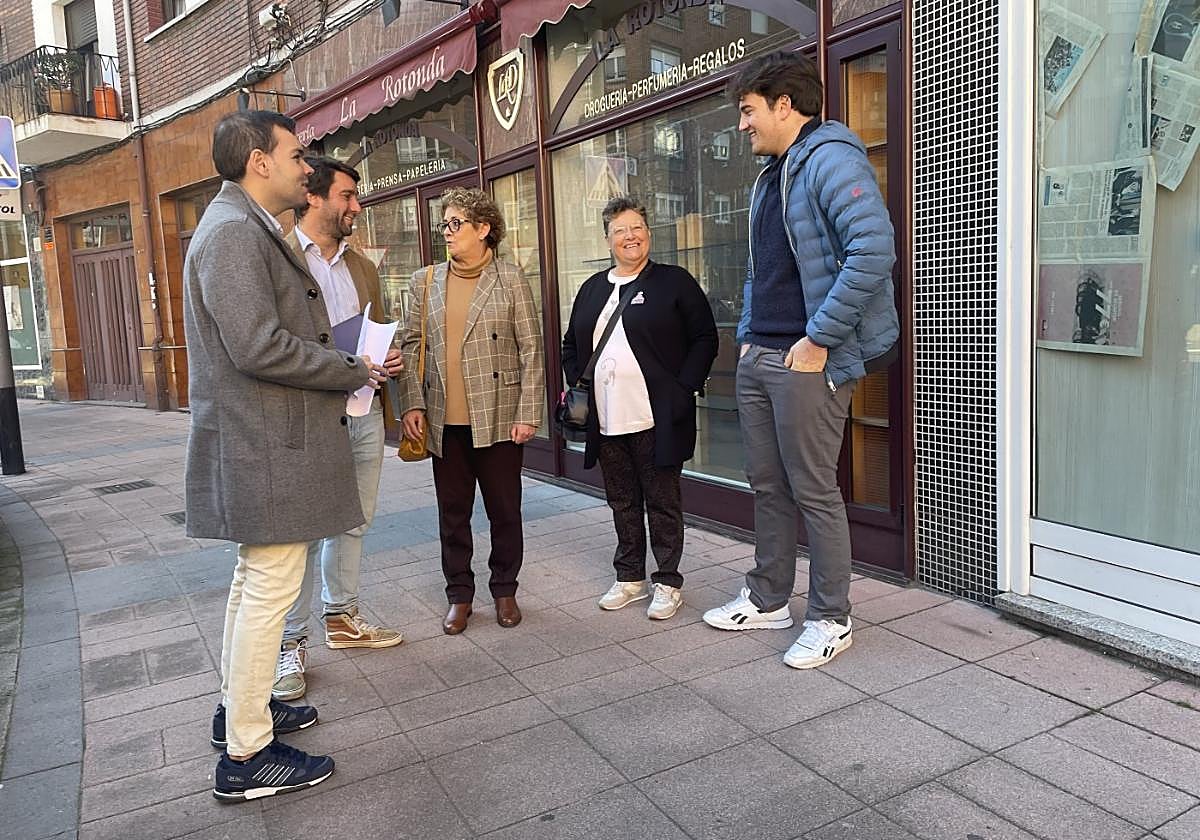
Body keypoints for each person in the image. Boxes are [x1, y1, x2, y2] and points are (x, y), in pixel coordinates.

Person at [184, 110, 387, 801]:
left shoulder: (241, 226)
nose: (308, 167)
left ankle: (241, 712)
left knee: (254, 588)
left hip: (265, 441)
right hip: (266, 445)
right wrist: (347, 366)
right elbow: (258, 346)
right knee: (268, 589)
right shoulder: (235, 233)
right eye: (297, 154)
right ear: (258, 162)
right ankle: (246, 755)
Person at [702, 51, 898, 669]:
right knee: (767, 485)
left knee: (815, 490)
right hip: (764, 352)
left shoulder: (832, 158)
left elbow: (873, 250)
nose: (742, 125)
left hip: (807, 359)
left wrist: (818, 340)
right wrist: (754, 336)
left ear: (784, 104)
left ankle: (831, 616)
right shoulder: (771, 175)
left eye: (748, 111)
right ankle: (768, 598)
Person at [272, 156, 405, 703]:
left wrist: (387, 358)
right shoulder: (279, 257)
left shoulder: (361, 266)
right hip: (307, 418)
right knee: (301, 534)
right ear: (316, 198)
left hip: (364, 411)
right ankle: (290, 643)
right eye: (348, 195)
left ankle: (343, 618)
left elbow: (372, 330)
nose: (357, 205)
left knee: (354, 522)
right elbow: (273, 344)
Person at [561, 197, 717, 620]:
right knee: (622, 500)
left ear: (648, 233)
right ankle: (629, 576)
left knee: (662, 501)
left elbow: (705, 337)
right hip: (607, 418)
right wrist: (581, 383)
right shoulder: (593, 287)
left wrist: (683, 387)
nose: (630, 236)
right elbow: (571, 344)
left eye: (637, 228)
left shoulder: (673, 282)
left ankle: (667, 581)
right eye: (620, 230)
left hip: (656, 417)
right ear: (607, 238)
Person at [398, 187, 544, 635]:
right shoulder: (424, 281)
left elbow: (532, 350)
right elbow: (408, 345)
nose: (447, 231)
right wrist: (412, 402)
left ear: (483, 229)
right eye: (444, 223)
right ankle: (459, 595)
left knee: (504, 510)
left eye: (456, 223)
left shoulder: (511, 278)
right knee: (453, 514)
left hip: (499, 416)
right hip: (445, 421)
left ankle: (505, 590)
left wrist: (528, 412)